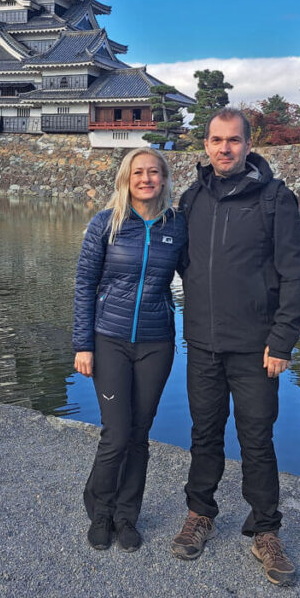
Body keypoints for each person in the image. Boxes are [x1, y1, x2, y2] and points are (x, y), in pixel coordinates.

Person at [170, 107, 300, 587]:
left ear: (249, 145)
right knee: (204, 433)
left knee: (257, 439)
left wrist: (282, 340)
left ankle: (265, 530)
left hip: (257, 348)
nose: (224, 149)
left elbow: (296, 275)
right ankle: (200, 513)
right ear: (204, 146)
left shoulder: (274, 200)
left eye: (233, 141)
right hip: (203, 343)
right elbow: (168, 263)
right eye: (215, 140)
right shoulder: (192, 199)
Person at [73, 147, 187, 552]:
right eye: (138, 172)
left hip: (157, 342)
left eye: (153, 172)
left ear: (164, 178)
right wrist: (82, 345)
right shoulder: (107, 223)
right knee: (116, 434)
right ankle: (100, 511)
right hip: (110, 340)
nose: (146, 179)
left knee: (139, 434)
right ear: (126, 178)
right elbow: (85, 285)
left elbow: (200, 276)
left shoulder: (177, 226)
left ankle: (127, 517)